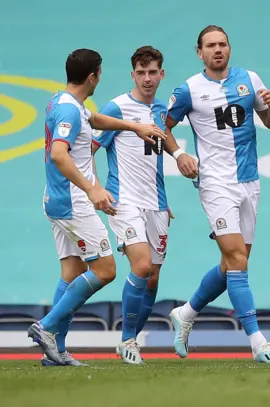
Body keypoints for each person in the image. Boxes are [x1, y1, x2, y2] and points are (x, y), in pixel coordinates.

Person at [31, 48, 166, 365]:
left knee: (71, 271)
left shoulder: (67, 103)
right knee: (105, 269)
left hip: (56, 199)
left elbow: (97, 119)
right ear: (93, 76)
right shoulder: (69, 111)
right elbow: (59, 155)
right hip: (72, 203)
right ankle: (48, 328)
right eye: (100, 74)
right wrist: (93, 189)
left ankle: (56, 353)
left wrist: (135, 127)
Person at [161, 25, 270, 363]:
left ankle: (186, 313)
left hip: (249, 181)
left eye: (223, 44)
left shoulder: (250, 79)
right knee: (236, 260)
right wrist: (179, 155)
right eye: (210, 45)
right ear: (198, 51)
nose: (218, 50)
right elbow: (162, 127)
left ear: (230, 49)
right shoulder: (188, 89)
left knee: (234, 262)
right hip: (215, 183)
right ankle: (258, 342)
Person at [92, 46, 177, 364]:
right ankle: (127, 340)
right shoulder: (117, 107)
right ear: (132, 75)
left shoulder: (161, 113)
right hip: (124, 202)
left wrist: (165, 202)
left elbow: (155, 159)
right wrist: (96, 188)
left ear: (161, 74)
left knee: (153, 277)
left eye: (152, 72)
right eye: (141, 73)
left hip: (156, 204)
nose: (147, 78)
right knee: (140, 267)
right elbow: (89, 149)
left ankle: (131, 340)